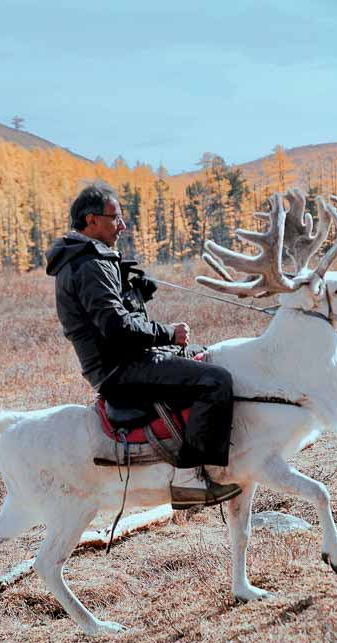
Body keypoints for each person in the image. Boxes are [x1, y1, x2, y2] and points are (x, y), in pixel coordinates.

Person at [45, 181, 240, 508]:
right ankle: (188, 479)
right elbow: (116, 328)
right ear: (91, 221)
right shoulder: (89, 264)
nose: (122, 225)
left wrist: (134, 294)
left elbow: (112, 314)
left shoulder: (87, 258)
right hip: (119, 369)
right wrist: (168, 334)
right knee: (215, 380)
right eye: (115, 217)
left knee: (209, 356)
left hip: (123, 359)